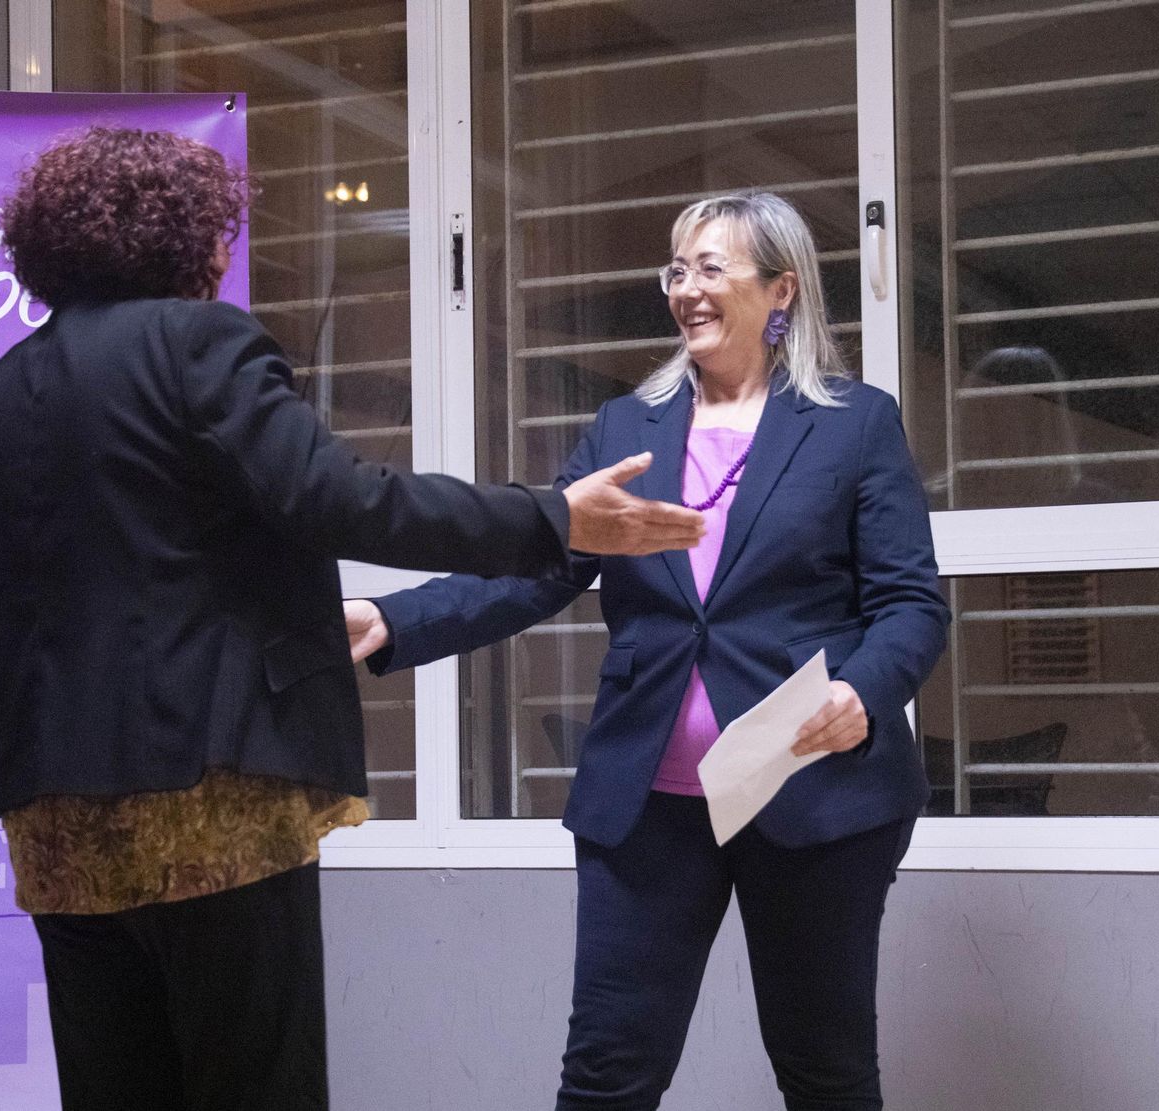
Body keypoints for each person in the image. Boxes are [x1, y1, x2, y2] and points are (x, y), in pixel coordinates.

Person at [0, 126, 704, 1111]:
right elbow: (342, 499)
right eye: (219, 232)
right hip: (205, 796)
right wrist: (553, 518)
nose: (223, 252)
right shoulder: (198, 343)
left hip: (52, 816)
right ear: (180, 236)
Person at [347, 191, 950, 1110]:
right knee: (605, 1076)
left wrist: (863, 692)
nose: (687, 289)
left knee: (825, 1073)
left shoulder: (853, 422)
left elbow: (909, 602)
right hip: (648, 806)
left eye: (711, 267)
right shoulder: (626, 429)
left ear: (781, 288)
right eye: (676, 270)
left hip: (813, 795)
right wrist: (393, 619)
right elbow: (536, 571)